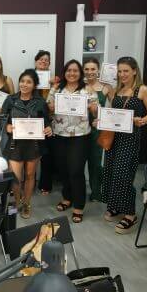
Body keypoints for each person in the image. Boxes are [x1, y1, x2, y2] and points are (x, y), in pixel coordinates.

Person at [101, 56, 147, 234]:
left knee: (123, 175)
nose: (122, 74)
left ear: (134, 71)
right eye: (120, 71)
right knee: (111, 172)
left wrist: (142, 121)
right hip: (114, 138)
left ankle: (130, 215)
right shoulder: (118, 89)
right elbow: (113, 113)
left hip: (130, 139)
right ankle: (117, 206)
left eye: (126, 71)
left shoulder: (142, 90)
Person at [47, 60, 98, 224]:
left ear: (80, 73)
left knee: (76, 170)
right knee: (63, 168)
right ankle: (67, 197)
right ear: (65, 72)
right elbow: (48, 106)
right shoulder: (57, 88)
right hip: (60, 134)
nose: (72, 73)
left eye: (75, 71)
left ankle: (79, 206)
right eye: (69, 70)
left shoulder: (87, 89)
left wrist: (92, 107)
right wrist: (52, 107)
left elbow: (96, 110)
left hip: (81, 135)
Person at [2, 69, 53, 219]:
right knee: (17, 178)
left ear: (34, 85)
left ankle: (27, 203)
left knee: (30, 175)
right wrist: (7, 127)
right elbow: (3, 119)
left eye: (29, 82)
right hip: (15, 144)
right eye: (22, 81)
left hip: (34, 144)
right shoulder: (10, 100)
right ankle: (17, 202)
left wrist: (49, 128)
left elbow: (47, 121)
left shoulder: (40, 102)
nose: (24, 84)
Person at [83, 57, 112, 202]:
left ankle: (96, 192)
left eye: (93, 69)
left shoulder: (106, 88)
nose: (90, 72)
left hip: (97, 130)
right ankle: (79, 192)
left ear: (98, 70)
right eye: (87, 69)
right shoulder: (79, 86)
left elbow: (115, 109)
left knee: (95, 162)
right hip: (80, 129)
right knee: (79, 162)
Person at [34, 50, 58, 195]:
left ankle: (45, 184)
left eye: (46, 60)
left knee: (47, 155)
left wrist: (53, 86)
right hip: (32, 120)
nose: (43, 62)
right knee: (29, 153)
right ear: (35, 62)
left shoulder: (54, 81)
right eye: (41, 60)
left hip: (49, 121)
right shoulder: (29, 77)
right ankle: (24, 182)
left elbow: (57, 101)